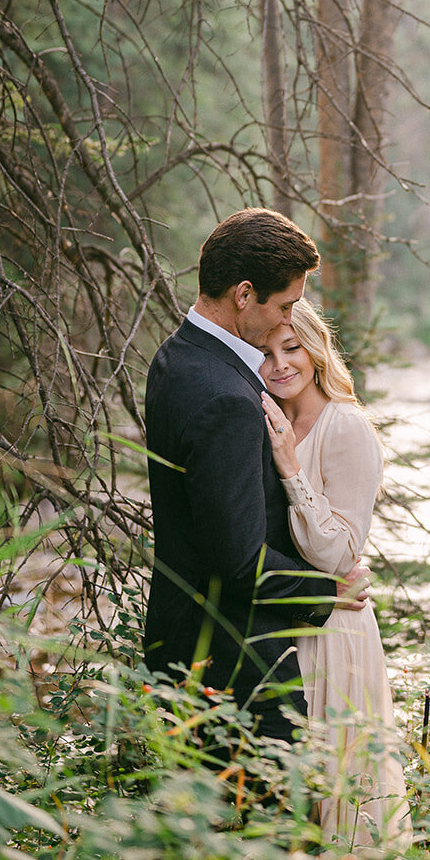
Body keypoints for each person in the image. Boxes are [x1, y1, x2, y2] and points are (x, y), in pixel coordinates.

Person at [142, 208, 369, 745]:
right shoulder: (226, 396)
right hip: (236, 669)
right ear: (245, 294)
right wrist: (327, 591)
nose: (286, 319)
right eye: (285, 304)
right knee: (262, 826)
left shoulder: (174, 358)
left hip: (179, 645)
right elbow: (239, 563)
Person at [259, 300, 410, 859]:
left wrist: (292, 471)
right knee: (303, 790)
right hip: (291, 619)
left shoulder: (345, 425)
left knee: (342, 788)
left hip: (337, 628)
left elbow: (340, 551)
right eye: (267, 353)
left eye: (291, 348)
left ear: (316, 349)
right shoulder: (272, 417)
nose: (279, 364)